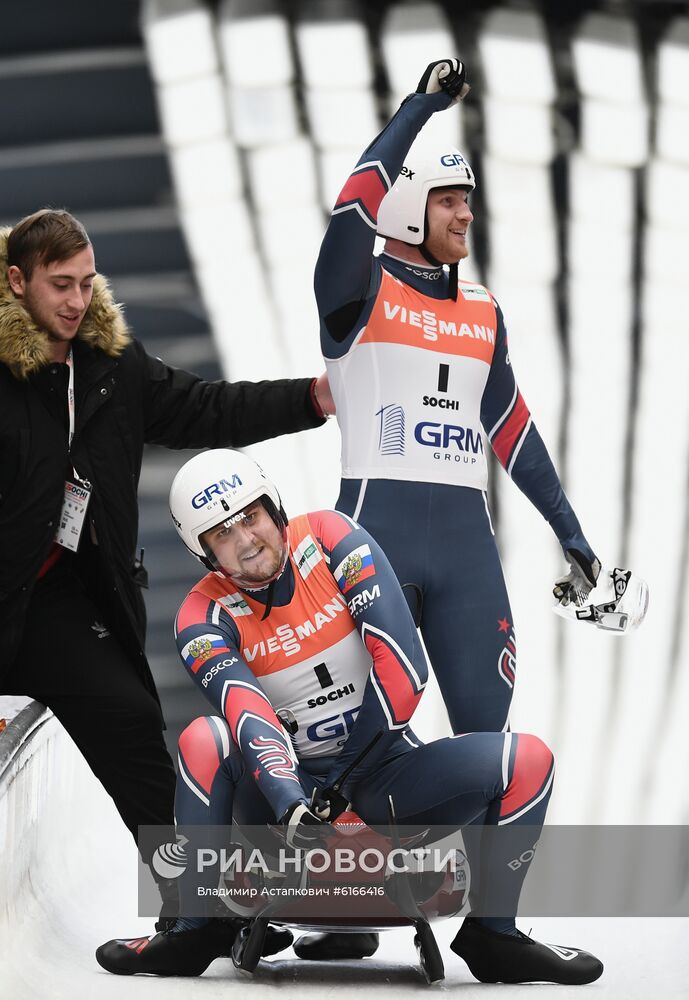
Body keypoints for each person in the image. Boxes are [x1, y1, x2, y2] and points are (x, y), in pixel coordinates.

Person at [96, 449, 603, 985]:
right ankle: (192, 929)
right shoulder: (199, 615)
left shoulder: (334, 537)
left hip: (381, 775)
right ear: (204, 555)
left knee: (528, 760)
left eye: (250, 517)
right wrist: (295, 803)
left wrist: (340, 788)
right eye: (222, 535)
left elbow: (404, 669)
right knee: (204, 738)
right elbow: (248, 712)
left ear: (274, 509)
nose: (247, 542)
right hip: (279, 800)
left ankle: (494, 935)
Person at [310, 58, 601, 961]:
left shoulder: (482, 309)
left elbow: (508, 425)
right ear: (405, 208)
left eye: (466, 202)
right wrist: (418, 111)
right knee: (357, 739)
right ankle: (339, 909)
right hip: (374, 544)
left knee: (488, 744)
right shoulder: (354, 291)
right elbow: (350, 206)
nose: (464, 214)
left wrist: (569, 531)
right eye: (447, 199)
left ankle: (493, 927)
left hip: (465, 548)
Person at [0, 209, 333, 922]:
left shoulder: (112, 369)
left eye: (87, 283)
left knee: (133, 726)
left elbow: (207, 409)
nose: (76, 301)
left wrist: (311, 398)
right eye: (60, 285)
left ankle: (195, 908)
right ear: (16, 280)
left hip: (62, 604)